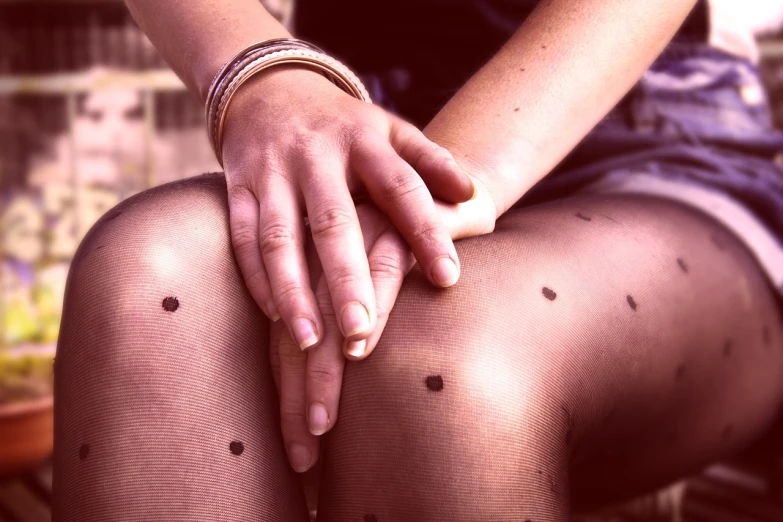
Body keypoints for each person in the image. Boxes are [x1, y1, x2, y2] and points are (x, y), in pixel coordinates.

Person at [52, 0, 783, 520]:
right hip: (354, 119)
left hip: (648, 135)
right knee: (148, 277)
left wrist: (428, 185)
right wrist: (264, 79)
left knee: (432, 350)